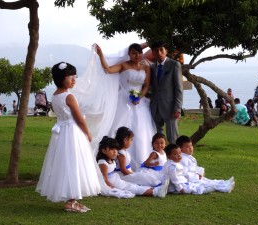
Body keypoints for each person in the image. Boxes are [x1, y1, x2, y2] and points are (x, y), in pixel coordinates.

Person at [36, 62, 101, 213]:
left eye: (74, 76)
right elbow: (79, 119)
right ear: (61, 78)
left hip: (62, 133)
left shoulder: (55, 95)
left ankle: (72, 200)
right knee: (75, 163)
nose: (73, 79)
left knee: (66, 163)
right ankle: (71, 201)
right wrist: (87, 132)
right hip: (72, 132)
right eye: (70, 76)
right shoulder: (69, 96)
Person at [95, 43, 156, 170]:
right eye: (134, 53)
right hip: (123, 101)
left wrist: (139, 97)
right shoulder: (123, 65)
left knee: (141, 131)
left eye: (139, 53)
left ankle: (141, 162)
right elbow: (108, 69)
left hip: (140, 103)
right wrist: (101, 55)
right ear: (129, 54)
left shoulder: (146, 67)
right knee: (118, 129)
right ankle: (113, 162)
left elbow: (146, 86)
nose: (137, 56)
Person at [96, 136, 168, 198]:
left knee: (132, 185)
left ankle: (157, 189)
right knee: (132, 188)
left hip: (115, 179)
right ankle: (156, 192)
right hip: (112, 181)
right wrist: (113, 187)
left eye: (116, 149)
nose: (115, 152)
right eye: (112, 149)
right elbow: (105, 178)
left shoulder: (111, 160)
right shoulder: (103, 163)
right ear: (104, 151)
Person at [150, 40, 183, 144]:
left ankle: (175, 160)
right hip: (155, 108)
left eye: (161, 50)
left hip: (170, 108)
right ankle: (161, 159)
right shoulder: (152, 67)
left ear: (166, 51)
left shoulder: (174, 65)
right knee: (158, 140)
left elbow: (179, 88)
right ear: (153, 53)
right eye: (156, 50)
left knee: (173, 139)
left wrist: (177, 108)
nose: (159, 52)